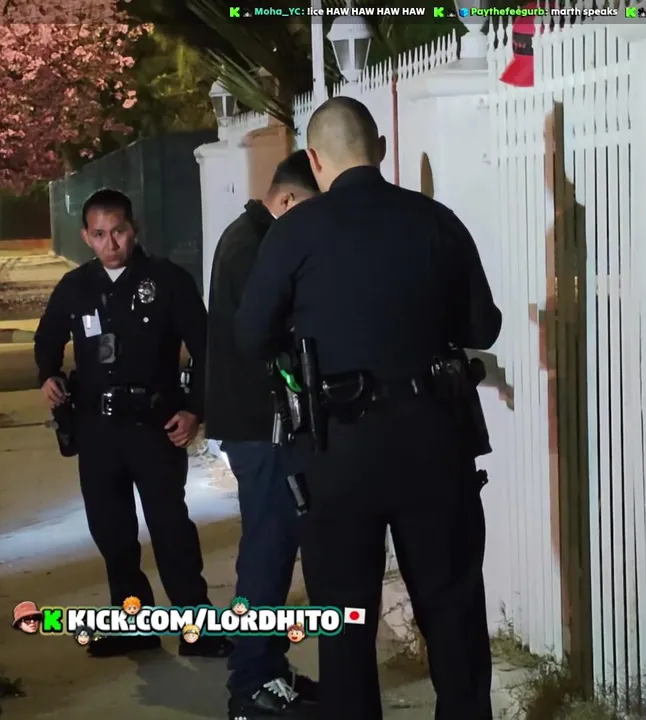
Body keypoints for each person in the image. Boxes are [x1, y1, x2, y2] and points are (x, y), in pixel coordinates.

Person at [235, 97, 503, 720]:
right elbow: (482, 327)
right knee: (453, 612)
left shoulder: (295, 232)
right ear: (380, 149)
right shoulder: (437, 222)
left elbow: (250, 335)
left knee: (346, 625)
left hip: (337, 451)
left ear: (313, 159)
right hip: (435, 444)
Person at [34, 188, 233, 660]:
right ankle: (133, 623)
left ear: (133, 229)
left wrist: (194, 409)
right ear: (86, 236)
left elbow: (208, 349)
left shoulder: (167, 281)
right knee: (112, 532)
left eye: (119, 231)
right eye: (100, 234)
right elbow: (47, 339)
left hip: (155, 425)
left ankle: (196, 627)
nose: (111, 243)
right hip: (97, 428)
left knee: (171, 529)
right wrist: (48, 376)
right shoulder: (76, 287)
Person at [204, 151, 322, 718]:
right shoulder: (255, 246)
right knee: (268, 553)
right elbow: (267, 331)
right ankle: (252, 683)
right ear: (290, 200)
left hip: (257, 421)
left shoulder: (249, 235)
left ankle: (268, 669)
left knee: (270, 547)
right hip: (261, 424)